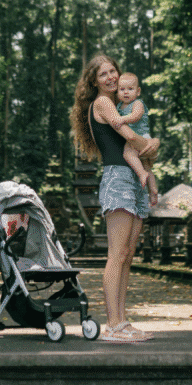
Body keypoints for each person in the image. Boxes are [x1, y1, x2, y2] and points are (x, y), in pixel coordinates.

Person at [70, 54, 160, 343]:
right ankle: (112, 325)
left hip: (133, 180)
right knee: (116, 254)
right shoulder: (103, 103)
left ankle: (122, 322)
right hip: (118, 180)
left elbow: (140, 148)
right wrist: (153, 143)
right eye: (103, 74)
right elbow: (130, 136)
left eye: (113, 71)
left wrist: (149, 149)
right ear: (94, 82)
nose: (110, 77)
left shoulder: (123, 103)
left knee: (128, 255)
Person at [117, 72, 159, 206]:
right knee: (147, 166)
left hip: (141, 137)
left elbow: (136, 116)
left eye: (130, 89)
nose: (126, 92)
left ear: (138, 91)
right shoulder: (118, 107)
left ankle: (141, 174)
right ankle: (153, 191)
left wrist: (122, 119)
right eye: (122, 89)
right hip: (136, 139)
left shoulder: (138, 103)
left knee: (128, 154)